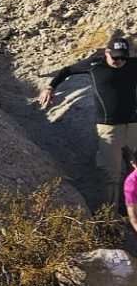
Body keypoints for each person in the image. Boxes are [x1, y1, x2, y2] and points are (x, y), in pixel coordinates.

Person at [39, 31, 137, 211]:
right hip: (109, 129)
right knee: (112, 175)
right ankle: (110, 218)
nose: (119, 62)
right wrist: (50, 87)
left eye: (123, 58)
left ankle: (133, 211)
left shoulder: (133, 65)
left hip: (133, 127)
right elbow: (67, 70)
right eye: (115, 58)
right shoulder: (95, 65)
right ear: (107, 53)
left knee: (135, 171)